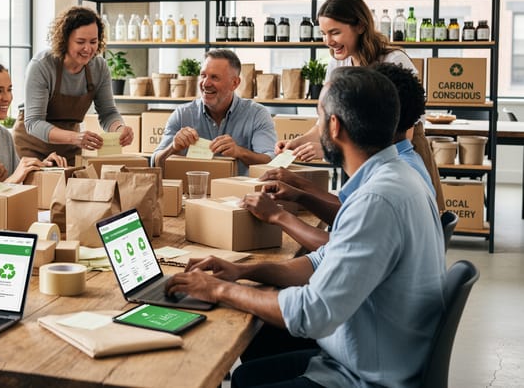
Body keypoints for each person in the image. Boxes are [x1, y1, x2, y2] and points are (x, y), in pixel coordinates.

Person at [166, 67, 447, 388]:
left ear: (335, 127)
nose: (316, 128)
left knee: (249, 350)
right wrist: (239, 272)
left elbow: (311, 312)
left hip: (368, 375)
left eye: (318, 118)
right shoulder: (394, 175)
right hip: (378, 350)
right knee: (248, 370)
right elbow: (323, 260)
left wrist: (218, 289)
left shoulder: (377, 199)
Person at [244, 62, 437, 252]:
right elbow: (350, 214)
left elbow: (344, 246)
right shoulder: (401, 165)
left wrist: (279, 216)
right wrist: (300, 191)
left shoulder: (386, 188)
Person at [278, 0, 416, 162]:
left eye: (335, 32)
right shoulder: (337, 64)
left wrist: (331, 149)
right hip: (362, 160)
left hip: (399, 159)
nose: (328, 41)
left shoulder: (393, 62)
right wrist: (298, 143)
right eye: (323, 33)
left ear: (360, 26)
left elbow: (404, 133)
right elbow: (327, 121)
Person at [14, 6, 134, 165]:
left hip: (69, 149)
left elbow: (108, 113)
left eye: (93, 41)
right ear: (64, 40)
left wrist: (119, 129)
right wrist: (75, 137)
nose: (88, 48)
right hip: (32, 148)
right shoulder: (42, 65)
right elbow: (34, 123)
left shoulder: (99, 67)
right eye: (80, 42)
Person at [152, 49, 275, 175]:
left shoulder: (257, 114)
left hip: (240, 192)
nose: (205, 83)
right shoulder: (182, 115)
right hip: (191, 193)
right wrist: (173, 147)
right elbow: (156, 163)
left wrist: (239, 152)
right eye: (203, 75)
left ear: (235, 83)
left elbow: (271, 162)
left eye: (214, 77)